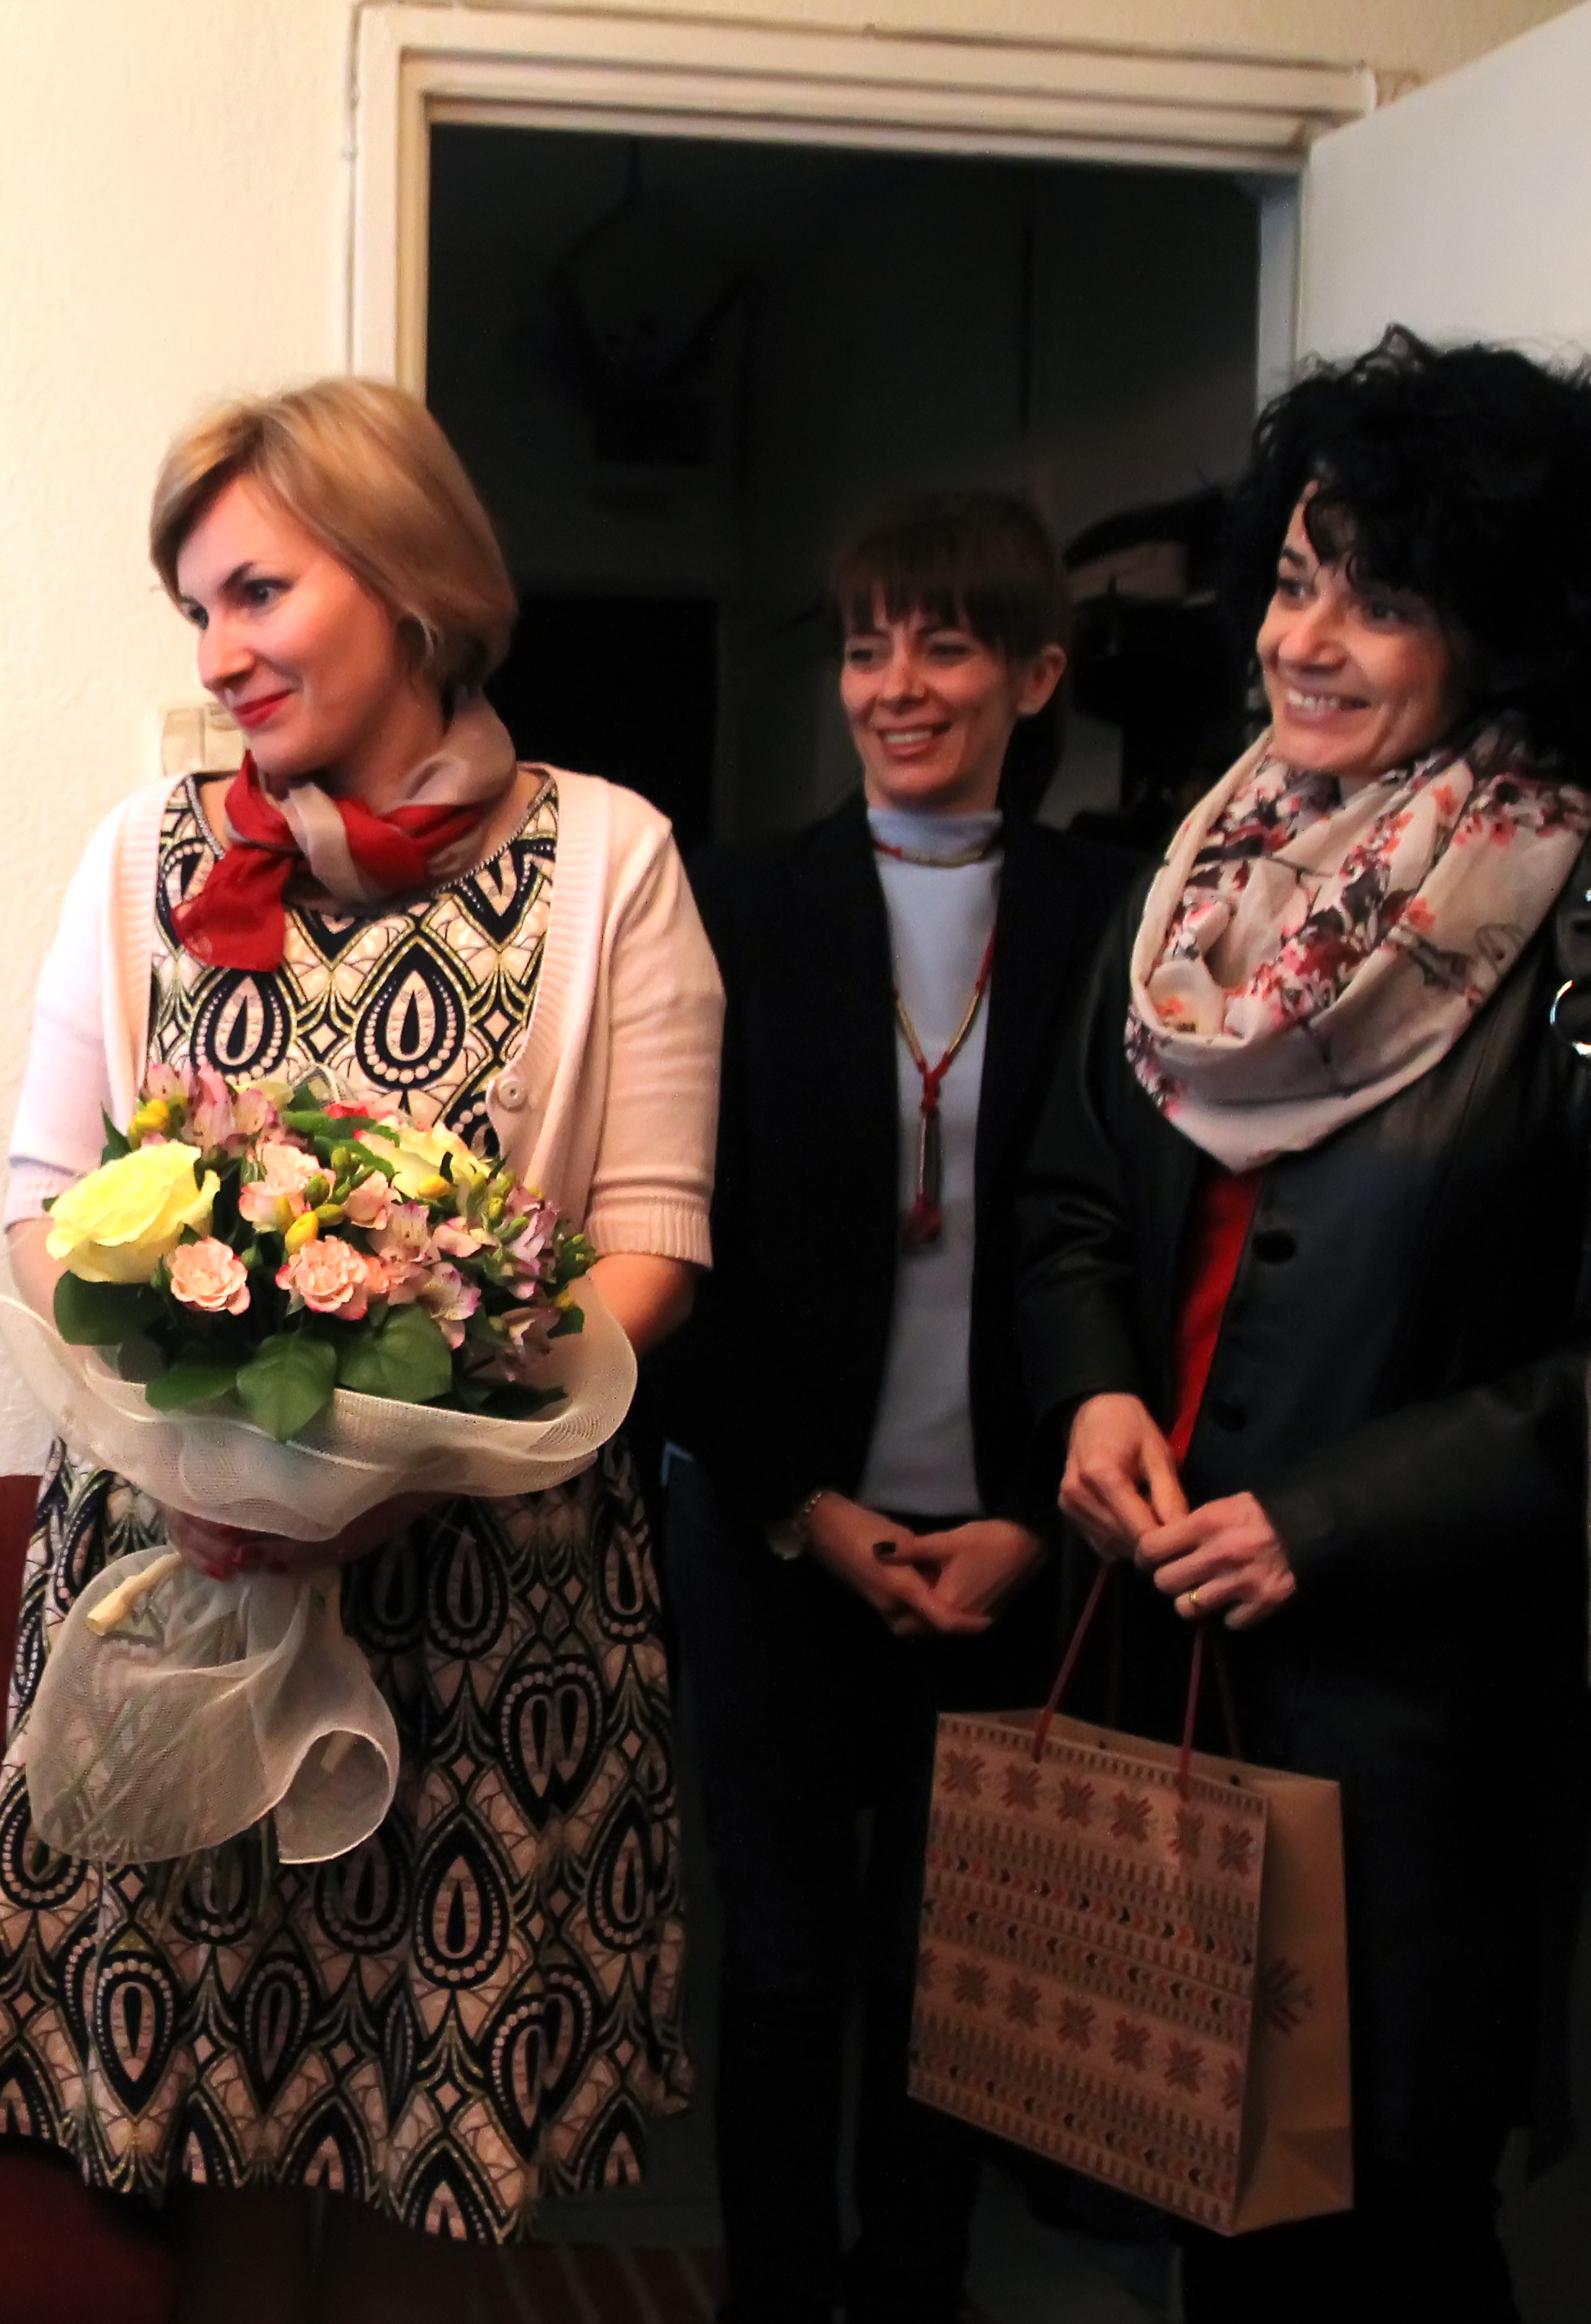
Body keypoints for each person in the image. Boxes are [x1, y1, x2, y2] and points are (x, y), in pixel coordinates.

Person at [0, 378, 723, 2321]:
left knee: (429, 2166)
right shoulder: (144, 855)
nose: (218, 653)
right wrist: (211, 1455)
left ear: (408, 580)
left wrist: (410, 1448)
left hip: (490, 1608)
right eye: (194, 610)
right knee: (198, 2136)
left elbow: (652, 1249)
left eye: (257, 592)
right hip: (185, 1590)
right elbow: (44, 1210)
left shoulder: (614, 858)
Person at [1020, 327, 1591, 2322]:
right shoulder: (1192, 881)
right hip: (1167, 1655)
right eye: (1294, 573)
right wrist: (1090, 1392)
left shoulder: (1573, 916)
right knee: (1209, 2196)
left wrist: (1327, 1518)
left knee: (1383, 2230)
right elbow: (1076, 1197)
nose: (1311, 637)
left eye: (1387, 594)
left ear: (1500, 631)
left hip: (1416, 1712)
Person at [661, 492, 1134, 2324]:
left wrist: (1029, 1510)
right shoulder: (733, 902)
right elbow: (670, 1237)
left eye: (942, 643)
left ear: (1034, 675)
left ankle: (914, 2294)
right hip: (781, 1538)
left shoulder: (1122, 914)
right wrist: (809, 1507)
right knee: (781, 1960)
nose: (895, 683)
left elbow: (1134, 1246)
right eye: (866, 644)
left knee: (963, 1975)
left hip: (1023, 1545)